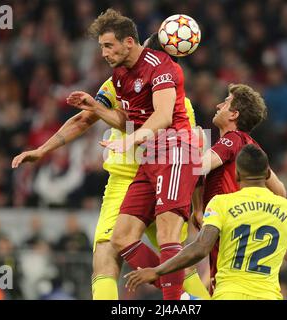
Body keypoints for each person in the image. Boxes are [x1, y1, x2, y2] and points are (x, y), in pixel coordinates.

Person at [11, 29, 207, 301]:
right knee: (160, 255)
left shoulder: (173, 101)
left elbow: (189, 154)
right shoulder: (118, 82)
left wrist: (198, 206)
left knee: (142, 252)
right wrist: (43, 149)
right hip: (130, 179)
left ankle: (180, 300)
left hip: (150, 173)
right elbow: (84, 119)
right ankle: (188, 299)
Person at [71, 9, 201, 300]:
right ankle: (181, 296)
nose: (103, 53)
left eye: (108, 46)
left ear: (130, 43)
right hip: (148, 161)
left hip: (172, 153)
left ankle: (177, 302)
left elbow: (166, 119)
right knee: (121, 239)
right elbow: (124, 119)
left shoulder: (165, 73)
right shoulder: (120, 77)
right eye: (101, 47)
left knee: (167, 239)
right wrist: (96, 107)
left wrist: (130, 141)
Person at [125, 144, 287, 300]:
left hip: (229, 294)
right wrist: (281, 251)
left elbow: (200, 248)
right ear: (268, 172)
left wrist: (157, 271)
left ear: (237, 174)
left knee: (183, 300)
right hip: (269, 295)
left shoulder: (222, 203)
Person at [195, 83, 286, 293]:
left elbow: (198, 167)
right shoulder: (252, 147)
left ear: (234, 114)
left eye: (225, 102)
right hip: (244, 233)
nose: (218, 105)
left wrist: (196, 147)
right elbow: (280, 191)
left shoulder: (232, 140)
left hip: (224, 226)